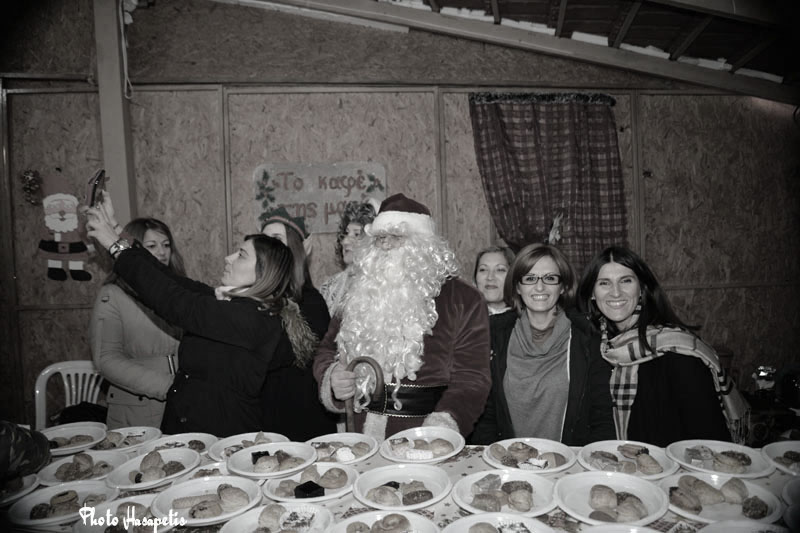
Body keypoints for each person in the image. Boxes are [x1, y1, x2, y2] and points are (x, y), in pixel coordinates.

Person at [85, 196, 317, 438]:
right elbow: (171, 279)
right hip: (194, 430)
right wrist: (117, 233)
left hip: (221, 439)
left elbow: (173, 300)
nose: (228, 258)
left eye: (241, 255)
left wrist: (114, 245)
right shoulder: (233, 304)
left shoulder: (250, 318)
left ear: (262, 273)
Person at [313, 193, 491, 440]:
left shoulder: (463, 299)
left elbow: (472, 378)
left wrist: (442, 426)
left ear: (423, 244)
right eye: (379, 238)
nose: (385, 246)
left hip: (423, 438)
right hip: (358, 439)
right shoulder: (358, 292)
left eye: (396, 237)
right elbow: (325, 350)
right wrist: (332, 377)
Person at [577, 245, 748, 446]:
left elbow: (711, 442)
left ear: (642, 289)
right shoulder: (600, 347)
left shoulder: (679, 356)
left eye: (626, 281)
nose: (616, 292)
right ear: (592, 294)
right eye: (604, 283)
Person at [470, 243, 615, 446]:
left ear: (563, 286)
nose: (540, 287)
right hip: (509, 458)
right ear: (518, 287)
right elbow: (486, 415)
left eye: (550, 278)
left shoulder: (587, 339)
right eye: (530, 279)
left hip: (569, 459)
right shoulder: (495, 336)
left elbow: (601, 416)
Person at [89, 218, 184, 429]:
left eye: (166, 245)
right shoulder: (112, 294)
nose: (162, 252)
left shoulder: (177, 292)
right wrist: (167, 386)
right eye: (152, 246)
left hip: (182, 402)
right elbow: (106, 359)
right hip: (138, 408)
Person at [259, 208, 337, 440]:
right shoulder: (253, 300)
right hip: (263, 418)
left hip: (303, 420)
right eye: (263, 240)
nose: (268, 247)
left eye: (276, 239)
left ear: (294, 249)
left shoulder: (311, 302)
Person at [319, 200, 377, 316]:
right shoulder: (330, 287)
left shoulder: (383, 285)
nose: (345, 241)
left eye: (356, 234)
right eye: (346, 233)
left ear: (373, 241)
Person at [473, 245, 515, 315]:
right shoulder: (463, 318)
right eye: (483, 269)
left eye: (500, 270)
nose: (490, 277)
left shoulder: (527, 319)